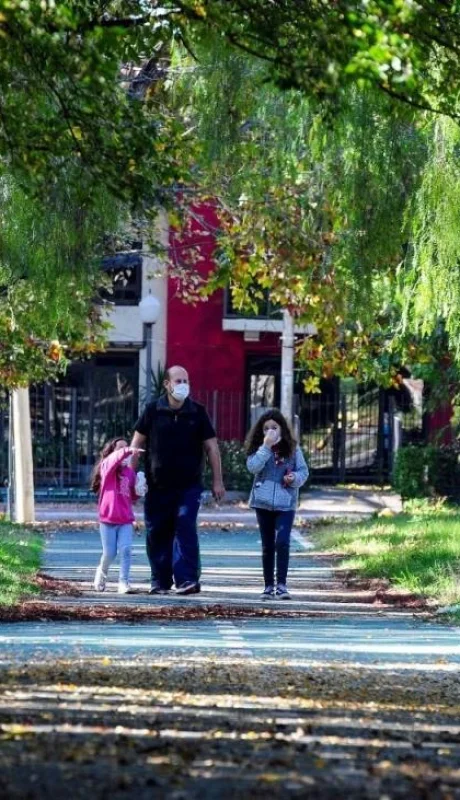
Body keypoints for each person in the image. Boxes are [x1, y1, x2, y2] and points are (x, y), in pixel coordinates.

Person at [130, 365, 225, 595]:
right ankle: (160, 581)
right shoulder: (153, 410)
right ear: (167, 384)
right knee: (157, 531)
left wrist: (218, 481)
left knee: (185, 525)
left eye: (186, 380)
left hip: (188, 485)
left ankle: (187, 579)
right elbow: (135, 446)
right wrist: (130, 480)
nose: (183, 385)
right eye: (178, 380)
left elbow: (212, 447)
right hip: (157, 485)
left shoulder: (197, 412)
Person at [246, 409, 309, 600]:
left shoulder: (293, 448)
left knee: (282, 542)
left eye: (274, 427)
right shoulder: (259, 448)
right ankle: (268, 586)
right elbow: (252, 467)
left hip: (286, 503)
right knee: (267, 545)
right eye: (266, 428)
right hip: (262, 503)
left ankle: (282, 584)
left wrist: (294, 478)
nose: (271, 431)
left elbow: (303, 472)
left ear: (282, 428)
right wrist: (265, 447)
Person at [90, 438, 145, 594]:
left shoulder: (130, 472)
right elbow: (112, 460)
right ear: (113, 452)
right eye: (120, 448)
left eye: (126, 448)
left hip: (125, 520)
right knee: (110, 553)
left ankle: (123, 582)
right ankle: (102, 572)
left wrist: (140, 489)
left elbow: (132, 496)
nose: (125, 451)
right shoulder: (107, 468)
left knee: (126, 550)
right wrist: (127, 451)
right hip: (107, 520)